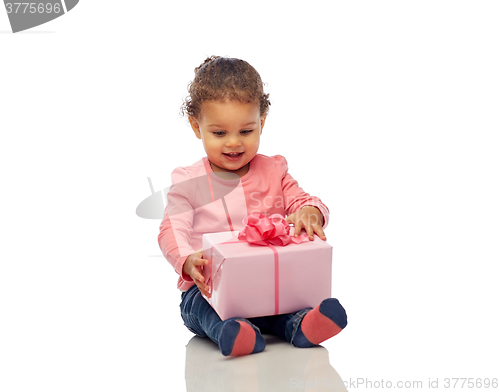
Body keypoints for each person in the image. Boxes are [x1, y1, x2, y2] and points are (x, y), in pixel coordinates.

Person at [158, 56, 347, 357]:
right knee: (205, 310)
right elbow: (171, 228)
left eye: (246, 131)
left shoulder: (274, 170)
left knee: (284, 305)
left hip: (267, 289)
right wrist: (186, 260)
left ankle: (302, 325)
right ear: (197, 126)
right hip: (208, 290)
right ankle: (232, 333)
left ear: (262, 122)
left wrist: (310, 212)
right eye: (219, 133)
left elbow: (303, 199)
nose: (233, 143)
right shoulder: (189, 181)